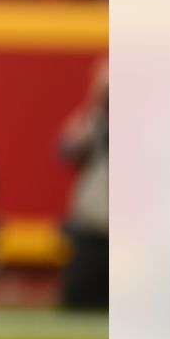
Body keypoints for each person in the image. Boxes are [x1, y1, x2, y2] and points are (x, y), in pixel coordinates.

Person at [59, 60, 108, 309]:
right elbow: (65, 149)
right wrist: (96, 110)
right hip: (90, 229)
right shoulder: (91, 122)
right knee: (77, 304)